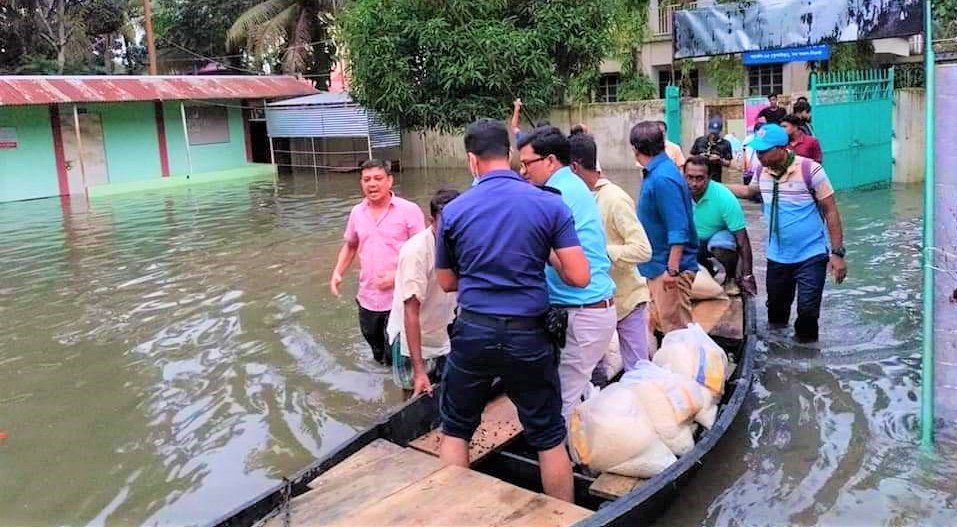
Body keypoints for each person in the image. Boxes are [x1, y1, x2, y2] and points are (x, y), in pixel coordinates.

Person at [436, 118, 590, 502]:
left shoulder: (453, 211)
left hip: (473, 332)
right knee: (548, 435)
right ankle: (563, 517)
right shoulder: (548, 204)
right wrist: (543, 252)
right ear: (509, 154)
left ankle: (450, 515)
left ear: (472, 160)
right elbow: (579, 276)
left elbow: (446, 282)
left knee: (455, 429)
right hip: (528, 334)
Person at [518, 126, 617, 420]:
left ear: (550, 161)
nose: (522, 171)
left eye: (527, 163)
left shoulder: (556, 195)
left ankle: (564, 448)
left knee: (560, 404)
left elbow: (572, 272)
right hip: (585, 309)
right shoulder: (572, 186)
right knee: (569, 392)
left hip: (583, 312)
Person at [727, 124, 847, 343]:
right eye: (757, 150)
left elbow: (831, 211)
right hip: (777, 257)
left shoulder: (811, 170)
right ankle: (779, 358)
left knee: (808, 313)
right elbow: (750, 191)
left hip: (811, 255)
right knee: (776, 316)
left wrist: (837, 254)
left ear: (782, 148)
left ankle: (807, 358)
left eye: (764, 150)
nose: (759, 155)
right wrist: (715, 186)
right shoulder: (761, 171)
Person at [568, 131, 652, 370]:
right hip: (591, 303)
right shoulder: (574, 200)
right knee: (589, 370)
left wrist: (603, 253)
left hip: (626, 300)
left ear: (573, 168)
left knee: (638, 369)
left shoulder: (615, 199)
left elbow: (643, 250)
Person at [330, 159, 426, 365]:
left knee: (397, 356)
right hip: (367, 297)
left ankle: (403, 379)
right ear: (361, 183)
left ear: (389, 181)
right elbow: (351, 245)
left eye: (378, 178)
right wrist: (338, 272)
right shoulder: (357, 212)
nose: (372, 184)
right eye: (367, 180)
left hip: (400, 298)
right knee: (377, 352)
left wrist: (397, 276)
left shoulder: (409, 211)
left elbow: (424, 253)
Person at [386, 188, 461, 397]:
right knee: (414, 396)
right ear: (432, 221)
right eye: (446, 224)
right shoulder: (416, 252)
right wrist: (419, 371)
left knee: (449, 393)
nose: (453, 229)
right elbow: (411, 312)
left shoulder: (464, 241)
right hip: (412, 339)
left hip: (443, 330)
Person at [631, 121, 699, 334]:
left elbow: (678, 227)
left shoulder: (662, 178)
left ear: (636, 149)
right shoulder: (659, 172)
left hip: (667, 269)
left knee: (677, 332)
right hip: (658, 265)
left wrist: (672, 270)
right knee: (663, 325)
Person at [683, 155, 757, 297]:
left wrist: (747, 275)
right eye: (689, 177)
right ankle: (707, 268)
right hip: (693, 241)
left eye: (700, 178)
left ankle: (731, 277)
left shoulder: (724, 196)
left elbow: (742, 239)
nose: (694, 183)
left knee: (721, 246)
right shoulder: (677, 193)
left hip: (717, 238)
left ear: (709, 177)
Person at [690, 117, 733, 182]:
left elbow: (728, 164)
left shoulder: (726, 144)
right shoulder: (699, 141)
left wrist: (719, 160)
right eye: (712, 132)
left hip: (715, 178)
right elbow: (691, 158)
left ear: (720, 131)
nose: (713, 135)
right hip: (699, 178)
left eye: (716, 133)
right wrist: (700, 158)